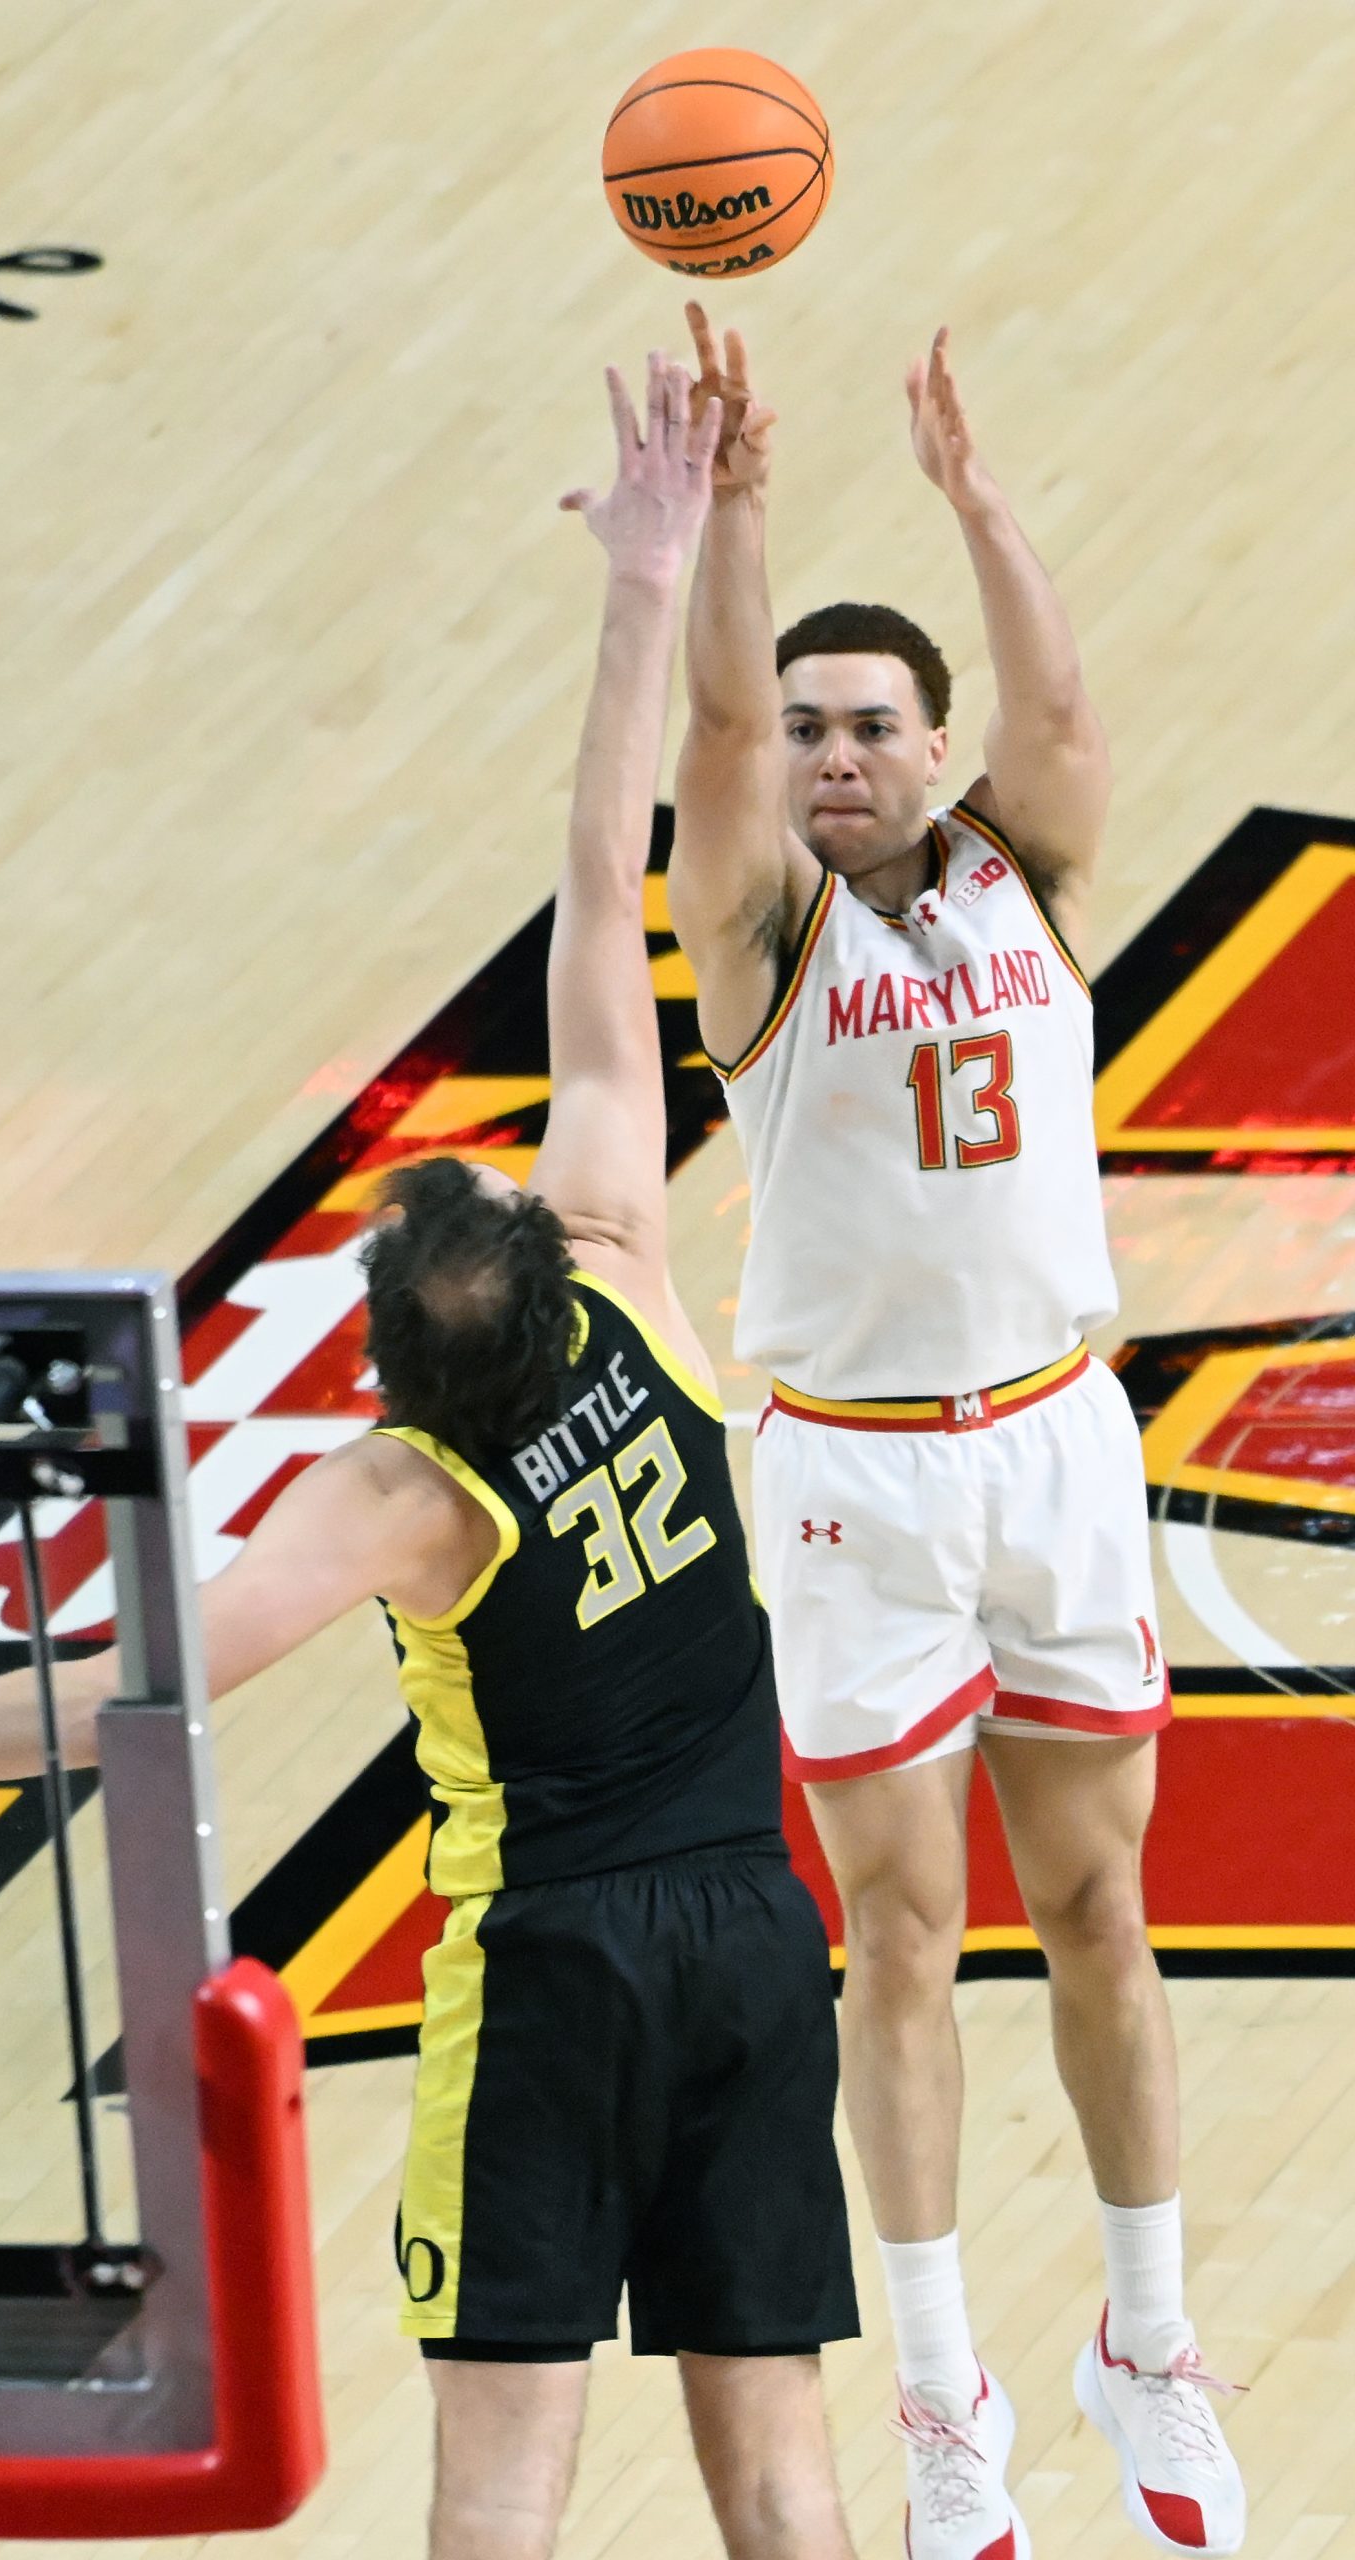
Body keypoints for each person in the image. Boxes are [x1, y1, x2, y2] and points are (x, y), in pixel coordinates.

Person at [0, 355, 858, 2560]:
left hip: (546, 1961)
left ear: (391, 1363)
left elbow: (114, 1701)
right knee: (779, 2469)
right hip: (754, 1922)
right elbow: (591, 873)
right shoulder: (630, 1251)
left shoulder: (396, 1495)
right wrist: (644, 582)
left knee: (501, 2486)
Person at [662, 306, 1247, 2560]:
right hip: (850, 1474)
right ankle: (937, 2391)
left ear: (928, 747)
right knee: (899, 1938)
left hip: (1055, 1443)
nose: (825, 751)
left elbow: (1071, 715)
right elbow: (712, 716)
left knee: (1100, 1904)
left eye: (866, 722)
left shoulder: (1029, 873)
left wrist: (979, 502)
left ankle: (1147, 2333)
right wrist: (735, 513)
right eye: (804, 724)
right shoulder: (759, 931)